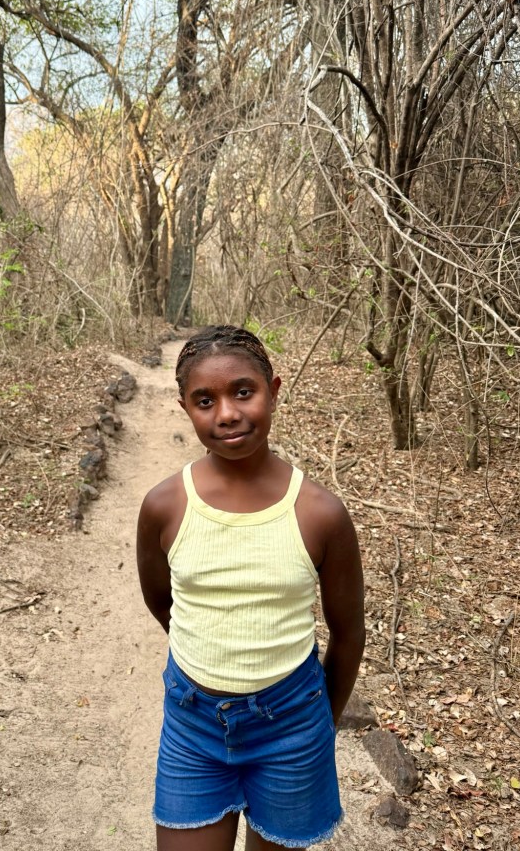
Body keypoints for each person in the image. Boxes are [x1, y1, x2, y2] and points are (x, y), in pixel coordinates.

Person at [136, 325, 365, 851]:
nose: (227, 413)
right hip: (192, 725)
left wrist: (319, 726)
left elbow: (349, 633)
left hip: (293, 725)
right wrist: (211, 651)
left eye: (244, 392)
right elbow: (162, 601)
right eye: (205, 400)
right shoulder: (165, 506)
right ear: (185, 408)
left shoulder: (320, 513)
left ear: (274, 391)